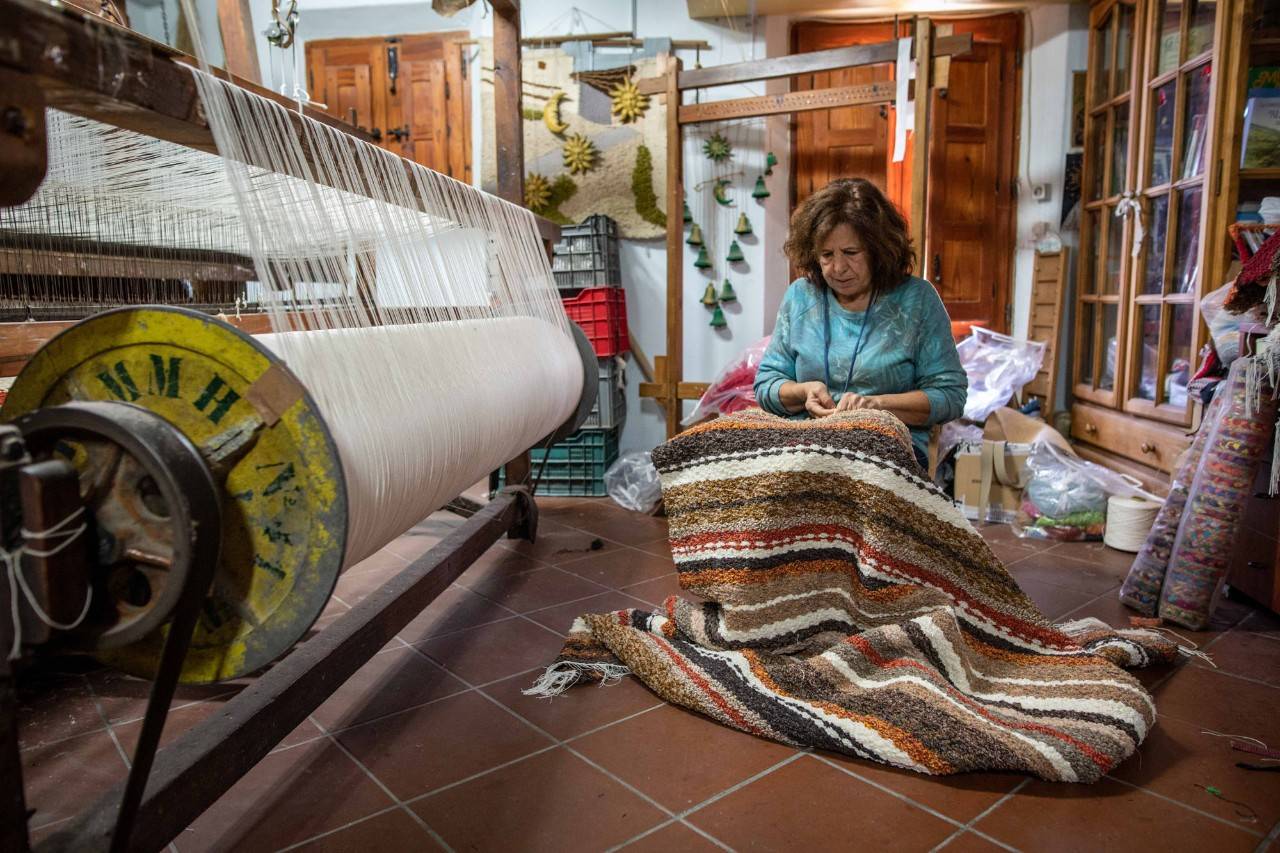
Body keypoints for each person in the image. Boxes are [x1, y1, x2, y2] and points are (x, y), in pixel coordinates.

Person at [753, 178, 966, 471]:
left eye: (851, 253)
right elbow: (767, 384)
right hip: (806, 444)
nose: (838, 268)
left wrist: (876, 406)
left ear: (878, 250)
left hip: (887, 446)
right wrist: (804, 391)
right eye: (827, 255)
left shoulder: (917, 300)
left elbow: (950, 396)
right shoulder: (801, 296)